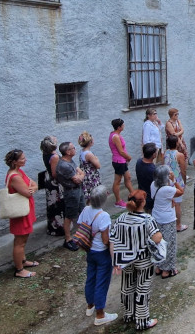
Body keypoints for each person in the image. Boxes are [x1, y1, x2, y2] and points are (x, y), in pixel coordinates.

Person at [110, 190, 163, 330]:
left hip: (126, 259)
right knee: (142, 288)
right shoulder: (147, 219)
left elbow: (113, 240)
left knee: (127, 287)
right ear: (143, 202)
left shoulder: (121, 218)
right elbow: (157, 238)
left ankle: (129, 314)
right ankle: (142, 320)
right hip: (143, 259)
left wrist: (115, 261)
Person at [78, 185, 117, 326]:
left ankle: (90, 305)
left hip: (89, 250)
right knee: (101, 282)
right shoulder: (103, 215)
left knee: (91, 278)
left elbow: (80, 225)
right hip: (101, 253)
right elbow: (106, 240)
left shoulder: (86, 209)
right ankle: (100, 315)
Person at [3, 149, 39, 278]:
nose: (25, 160)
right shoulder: (15, 176)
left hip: (25, 209)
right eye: (22, 158)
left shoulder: (19, 172)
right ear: (14, 162)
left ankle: (23, 260)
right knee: (20, 241)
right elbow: (28, 192)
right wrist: (32, 189)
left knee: (23, 239)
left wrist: (32, 188)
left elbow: (34, 185)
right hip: (20, 212)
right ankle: (19, 270)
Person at [150, 165, 184, 278]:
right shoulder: (167, 189)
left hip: (156, 216)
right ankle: (167, 269)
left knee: (158, 242)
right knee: (170, 243)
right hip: (167, 219)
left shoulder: (153, 185)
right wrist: (174, 180)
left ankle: (158, 266)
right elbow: (180, 191)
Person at [57, 141, 85, 251]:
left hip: (77, 190)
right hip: (72, 192)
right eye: (73, 148)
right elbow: (78, 179)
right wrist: (80, 175)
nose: (75, 149)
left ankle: (82, 234)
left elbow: (81, 172)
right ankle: (68, 239)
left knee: (82, 211)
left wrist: (80, 175)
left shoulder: (70, 161)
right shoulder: (64, 165)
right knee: (70, 216)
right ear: (68, 152)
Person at [40, 136, 65, 236]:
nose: (56, 138)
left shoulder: (46, 154)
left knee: (53, 205)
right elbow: (55, 174)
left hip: (49, 179)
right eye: (54, 139)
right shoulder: (54, 157)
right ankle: (58, 228)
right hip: (54, 184)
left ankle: (54, 226)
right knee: (57, 206)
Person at [163, 135, 188, 232]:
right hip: (176, 180)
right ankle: (178, 225)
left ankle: (170, 222)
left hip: (166, 180)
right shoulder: (179, 155)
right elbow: (183, 170)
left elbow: (163, 166)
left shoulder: (165, 153)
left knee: (169, 202)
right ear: (177, 143)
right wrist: (184, 182)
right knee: (177, 204)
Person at [109, 118, 134, 208]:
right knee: (117, 181)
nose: (124, 126)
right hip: (119, 161)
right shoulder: (115, 136)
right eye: (122, 125)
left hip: (122, 161)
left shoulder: (116, 134)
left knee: (128, 177)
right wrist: (128, 157)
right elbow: (121, 151)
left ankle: (134, 195)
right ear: (119, 127)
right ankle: (118, 201)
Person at [78, 131, 102, 202]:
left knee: (89, 195)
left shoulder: (82, 151)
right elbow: (98, 166)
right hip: (91, 176)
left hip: (85, 174)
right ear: (90, 142)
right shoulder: (89, 154)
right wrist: (96, 158)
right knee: (93, 195)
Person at [136, 143, 158, 213]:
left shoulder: (139, 162)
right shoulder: (153, 170)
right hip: (150, 199)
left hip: (142, 194)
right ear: (154, 155)